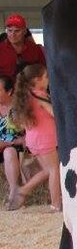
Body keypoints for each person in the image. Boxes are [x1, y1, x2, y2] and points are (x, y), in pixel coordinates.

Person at [9, 64, 61, 211]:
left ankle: (23, 190)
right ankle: (56, 204)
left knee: (47, 170)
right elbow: (54, 114)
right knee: (54, 170)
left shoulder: (27, 95)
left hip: (34, 140)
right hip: (46, 140)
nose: (48, 80)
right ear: (37, 80)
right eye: (46, 77)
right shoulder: (40, 96)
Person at [0, 74, 26, 208]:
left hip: (15, 147)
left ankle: (13, 193)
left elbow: (30, 133)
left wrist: (9, 143)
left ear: (9, 91)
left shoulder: (19, 109)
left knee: (9, 152)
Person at [0, 14, 46, 79]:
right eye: (10, 30)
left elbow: (43, 72)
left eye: (17, 31)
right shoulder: (1, 49)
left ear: (25, 31)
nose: (13, 34)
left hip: (31, 84)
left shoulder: (36, 49)